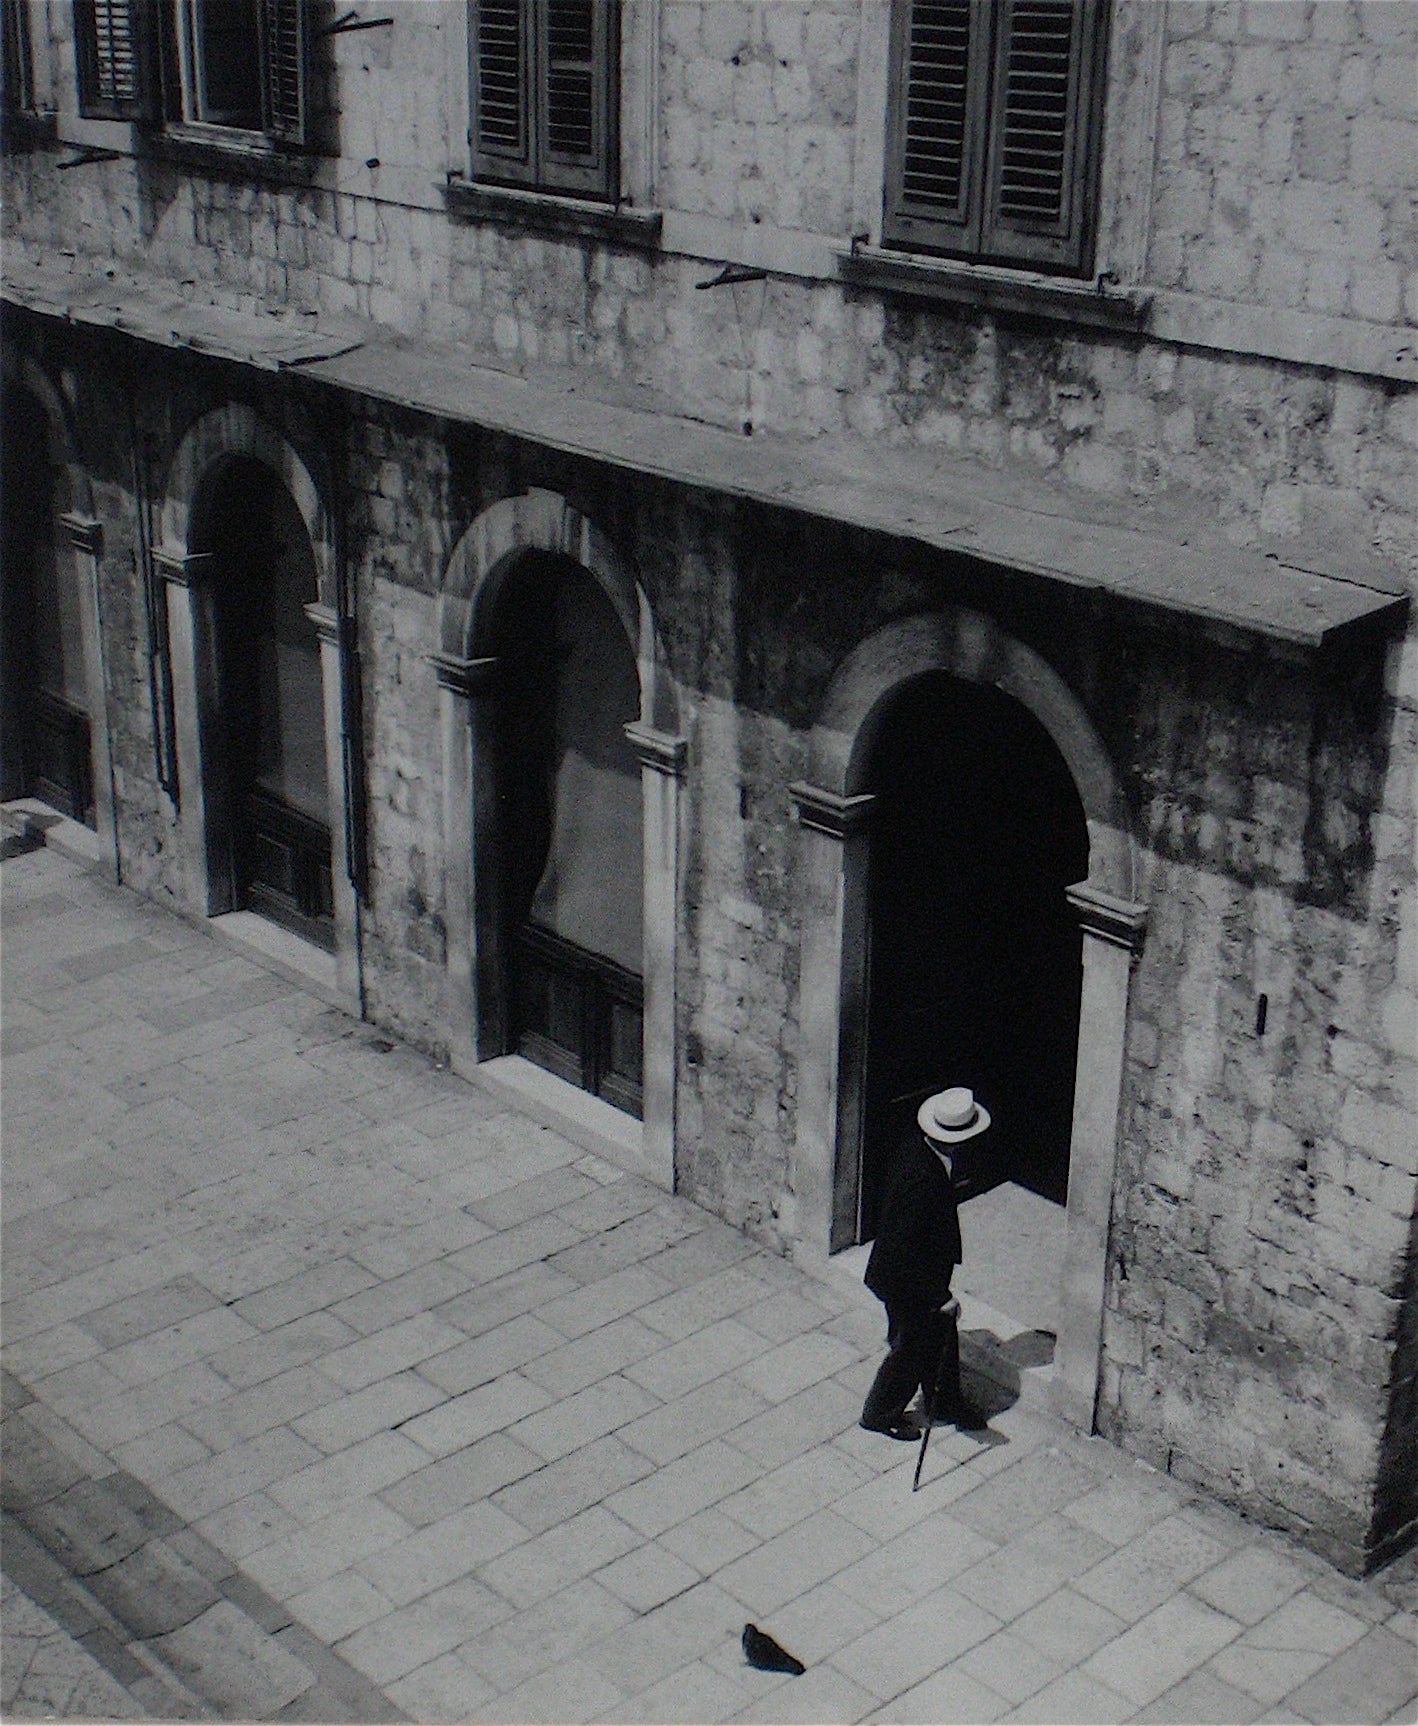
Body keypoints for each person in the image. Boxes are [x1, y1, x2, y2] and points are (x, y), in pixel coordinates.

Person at [859, 1086, 990, 1439]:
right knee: (911, 1348)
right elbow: (905, 1251)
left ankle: (945, 1401)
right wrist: (937, 1296)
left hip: (915, 1273)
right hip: (905, 1279)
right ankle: (878, 1413)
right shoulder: (921, 1180)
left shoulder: (923, 1153)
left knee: (939, 1335)